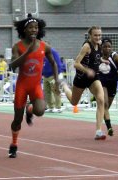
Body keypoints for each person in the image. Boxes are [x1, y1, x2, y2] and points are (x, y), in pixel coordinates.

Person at [8, 14, 59, 158]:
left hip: (36, 85)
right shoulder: (17, 47)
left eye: (36, 28)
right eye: (30, 28)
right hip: (22, 87)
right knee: (17, 120)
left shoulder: (44, 46)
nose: (33, 30)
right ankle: (13, 144)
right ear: (24, 30)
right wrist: (28, 53)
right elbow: (12, 66)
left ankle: (29, 109)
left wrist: (56, 81)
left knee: (41, 111)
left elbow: (54, 63)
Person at [60, 26, 106, 140]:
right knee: (74, 102)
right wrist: (87, 70)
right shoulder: (86, 46)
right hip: (81, 78)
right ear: (90, 35)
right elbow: (76, 64)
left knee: (101, 100)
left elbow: (96, 56)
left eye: (99, 35)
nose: (98, 37)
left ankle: (98, 131)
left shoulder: (100, 44)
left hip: (94, 78)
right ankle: (64, 86)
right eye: (95, 35)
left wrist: (102, 61)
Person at [99, 38, 118, 136]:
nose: (107, 49)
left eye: (109, 47)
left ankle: (103, 116)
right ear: (101, 47)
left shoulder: (115, 56)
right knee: (105, 104)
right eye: (105, 47)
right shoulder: (98, 56)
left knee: (106, 107)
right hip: (101, 83)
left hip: (112, 83)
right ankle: (109, 127)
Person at [43, 47, 63, 113]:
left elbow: (58, 64)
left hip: (53, 76)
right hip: (45, 76)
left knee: (55, 90)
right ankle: (51, 107)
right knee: (47, 92)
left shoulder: (53, 52)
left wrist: (56, 77)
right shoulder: (43, 53)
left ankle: (58, 107)